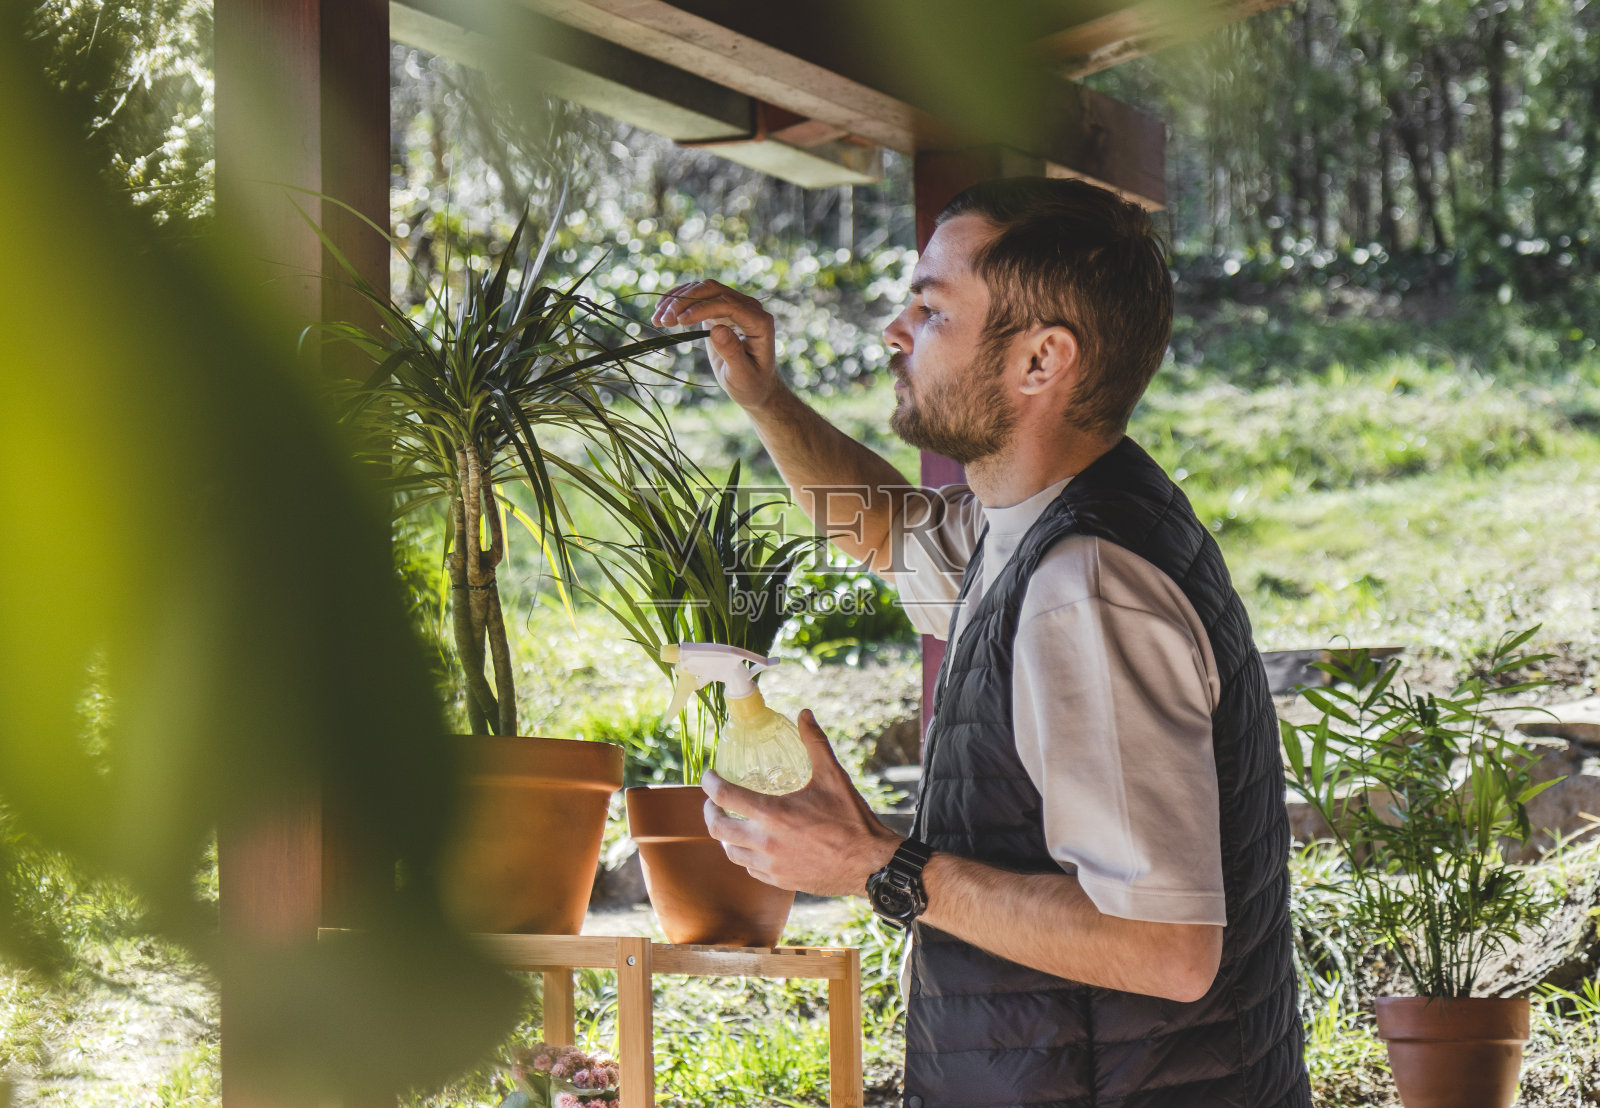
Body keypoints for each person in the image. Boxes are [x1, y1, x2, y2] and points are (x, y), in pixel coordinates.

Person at [652, 177, 1309, 1108]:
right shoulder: (1035, 525)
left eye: (931, 308)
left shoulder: (1084, 588)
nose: (894, 331)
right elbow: (877, 528)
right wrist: (765, 399)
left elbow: (1165, 948)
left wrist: (877, 866)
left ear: (1041, 360)